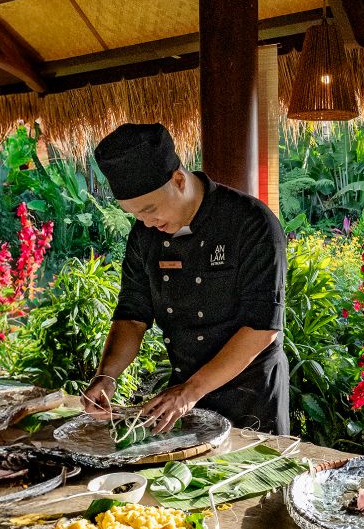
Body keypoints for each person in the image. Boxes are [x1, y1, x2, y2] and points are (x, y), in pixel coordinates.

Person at [82, 123, 289, 435]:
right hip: (185, 394)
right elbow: (132, 315)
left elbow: (262, 327)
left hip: (252, 398)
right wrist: (106, 375)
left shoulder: (251, 223)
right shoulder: (145, 235)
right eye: (136, 215)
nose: (147, 223)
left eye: (150, 210)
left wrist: (191, 391)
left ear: (179, 180)